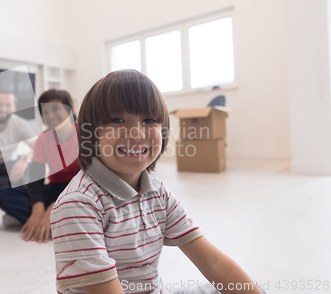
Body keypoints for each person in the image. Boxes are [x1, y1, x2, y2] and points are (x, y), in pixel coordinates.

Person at [50, 70, 265, 294]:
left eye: (149, 120)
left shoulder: (158, 193)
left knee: (250, 288)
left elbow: (213, 262)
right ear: (90, 133)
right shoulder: (79, 204)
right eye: (117, 119)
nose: (136, 133)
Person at [0, 90, 79, 243]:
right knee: (5, 194)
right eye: (45, 111)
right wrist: (38, 207)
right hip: (55, 188)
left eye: (55, 108)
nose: (50, 115)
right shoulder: (43, 139)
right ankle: (54, 222)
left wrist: (53, 208)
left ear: (70, 109)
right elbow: (35, 177)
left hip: (79, 190)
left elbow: (88, 178)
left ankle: (39, 220)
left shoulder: (85, 135)